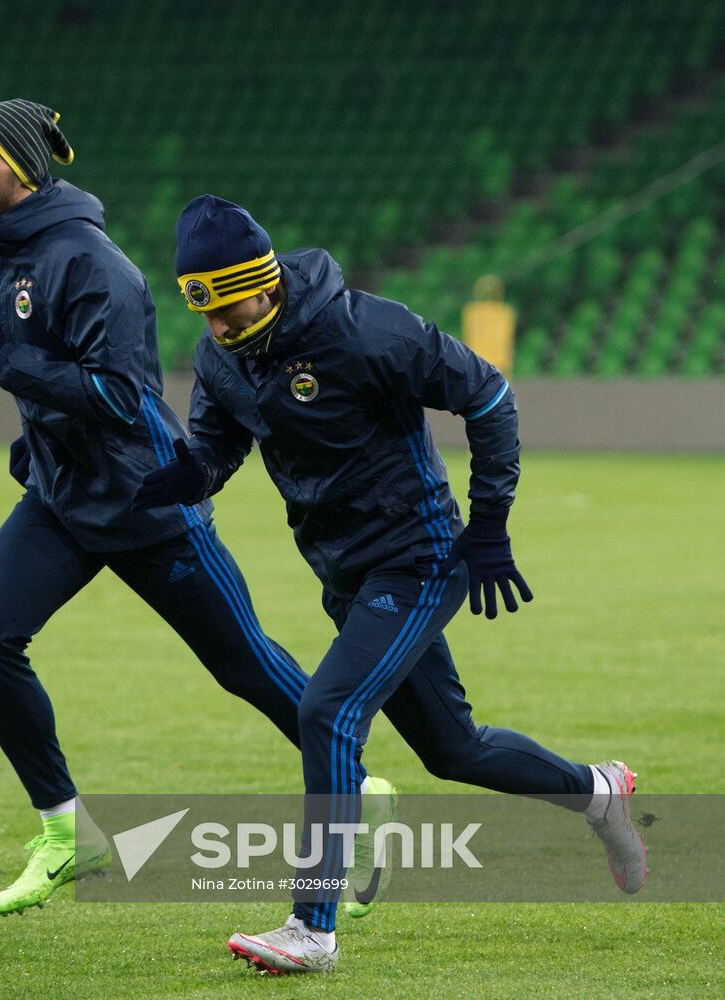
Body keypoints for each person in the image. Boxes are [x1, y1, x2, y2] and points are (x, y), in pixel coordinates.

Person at [133, 195, 648, 974]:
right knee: (454, 751)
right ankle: (597, 790)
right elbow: (217, 448)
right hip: (340, 570)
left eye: (227, 308)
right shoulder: (224, 358)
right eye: (201, 312)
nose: (215, 330)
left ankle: (313, 928)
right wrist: (175, 477)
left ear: (263, 283)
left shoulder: (367, 329)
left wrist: (490, 524)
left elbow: (489, 396)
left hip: (419, 557)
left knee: (328, 710)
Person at [0, 100, 396, 917]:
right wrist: (34, 439)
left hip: (147, 501)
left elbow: (121, 397)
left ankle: (359, 793)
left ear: (20, 167)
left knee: (245, 665)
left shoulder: (95, 264)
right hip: (62, 499)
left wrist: (7, 365)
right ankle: (65, 831)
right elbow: (53, 374)